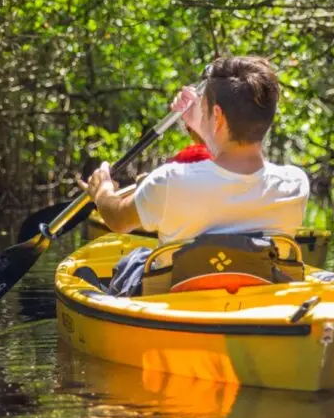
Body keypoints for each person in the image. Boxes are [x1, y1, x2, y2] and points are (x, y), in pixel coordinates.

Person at [77, 55, 309, 295]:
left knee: (129, 263)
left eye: (206, 109)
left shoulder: (171, 181)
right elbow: (227, 172)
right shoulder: (295, 183)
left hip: (174, 301)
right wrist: (205, 124)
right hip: (257, 297)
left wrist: (102, 189)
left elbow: (117, 219)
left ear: (217, 116)